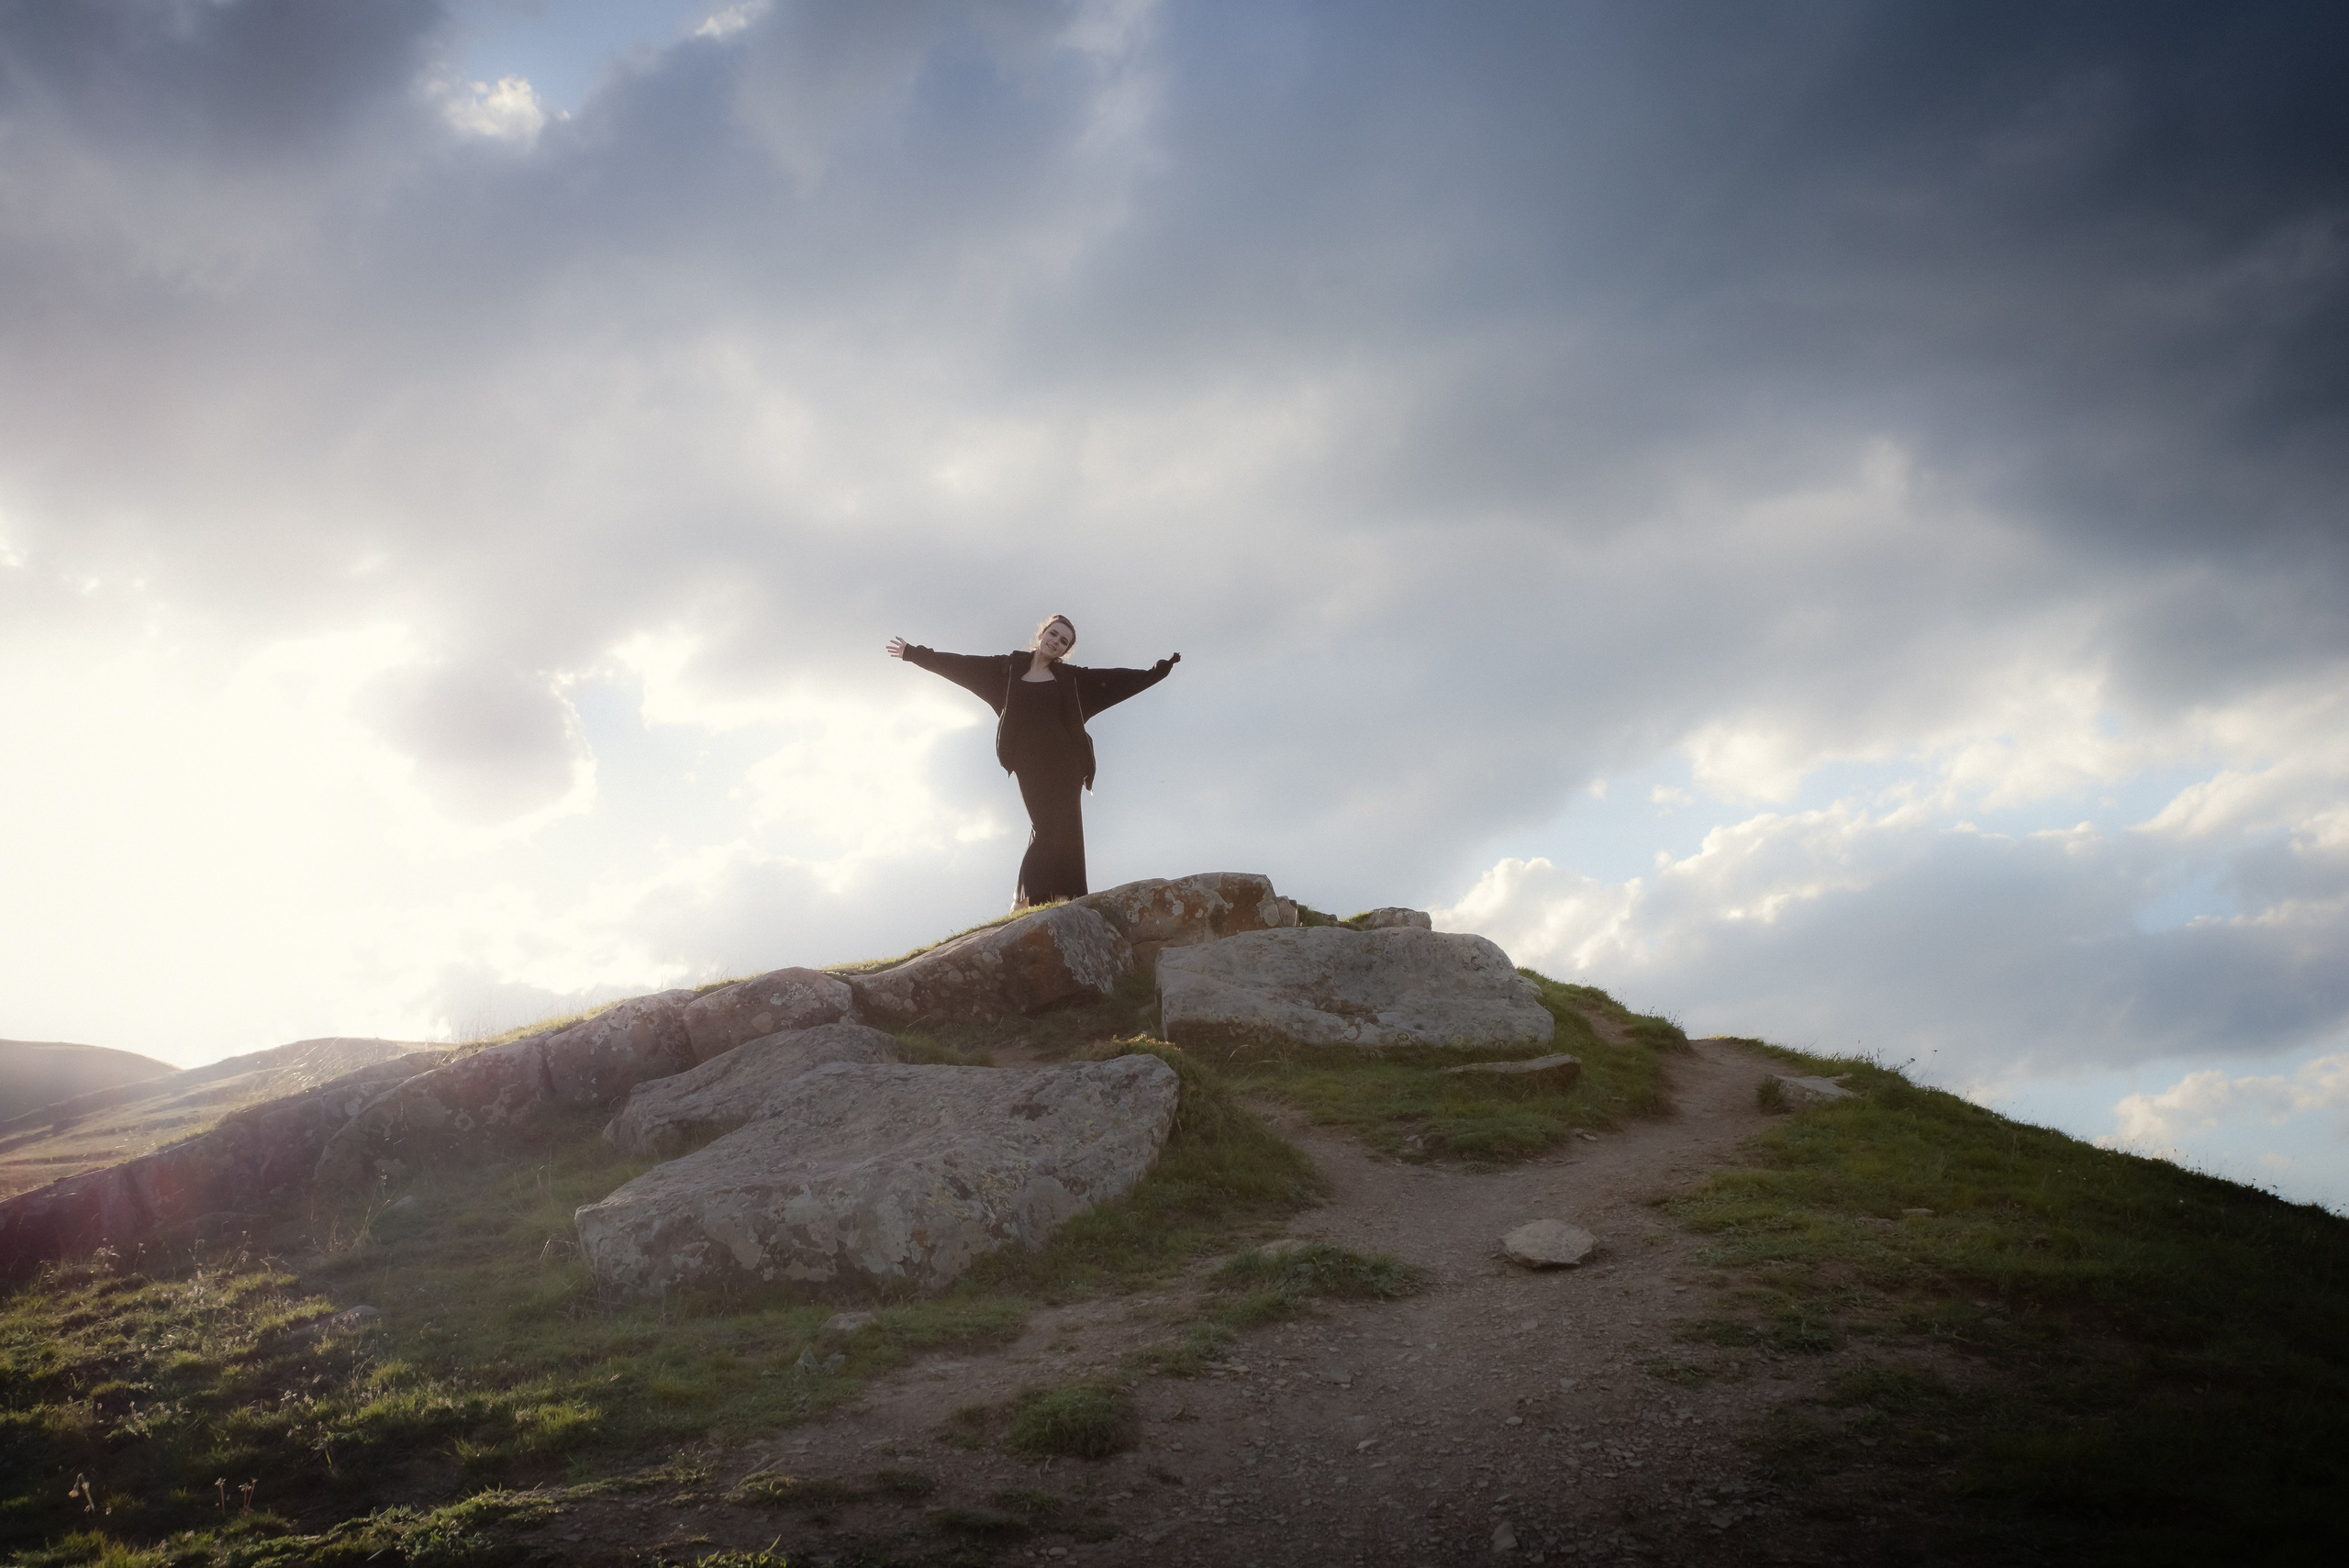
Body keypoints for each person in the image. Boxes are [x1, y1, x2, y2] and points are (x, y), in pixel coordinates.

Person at [887, 616, 1179, 908]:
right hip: (1028, 764)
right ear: (1041, 634)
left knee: (1067, 827)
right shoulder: (1007, 669)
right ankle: (1029, 897)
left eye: (1063, 641)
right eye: (1053, 634)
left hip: (1066, 763)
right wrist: (914, 653)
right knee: (1044, 827)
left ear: (1065, 651)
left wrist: (1156, 673)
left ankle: (1060, 896)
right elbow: (962, 665)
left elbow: (1116, 681)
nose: (1056, 642)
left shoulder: (1070, 678)